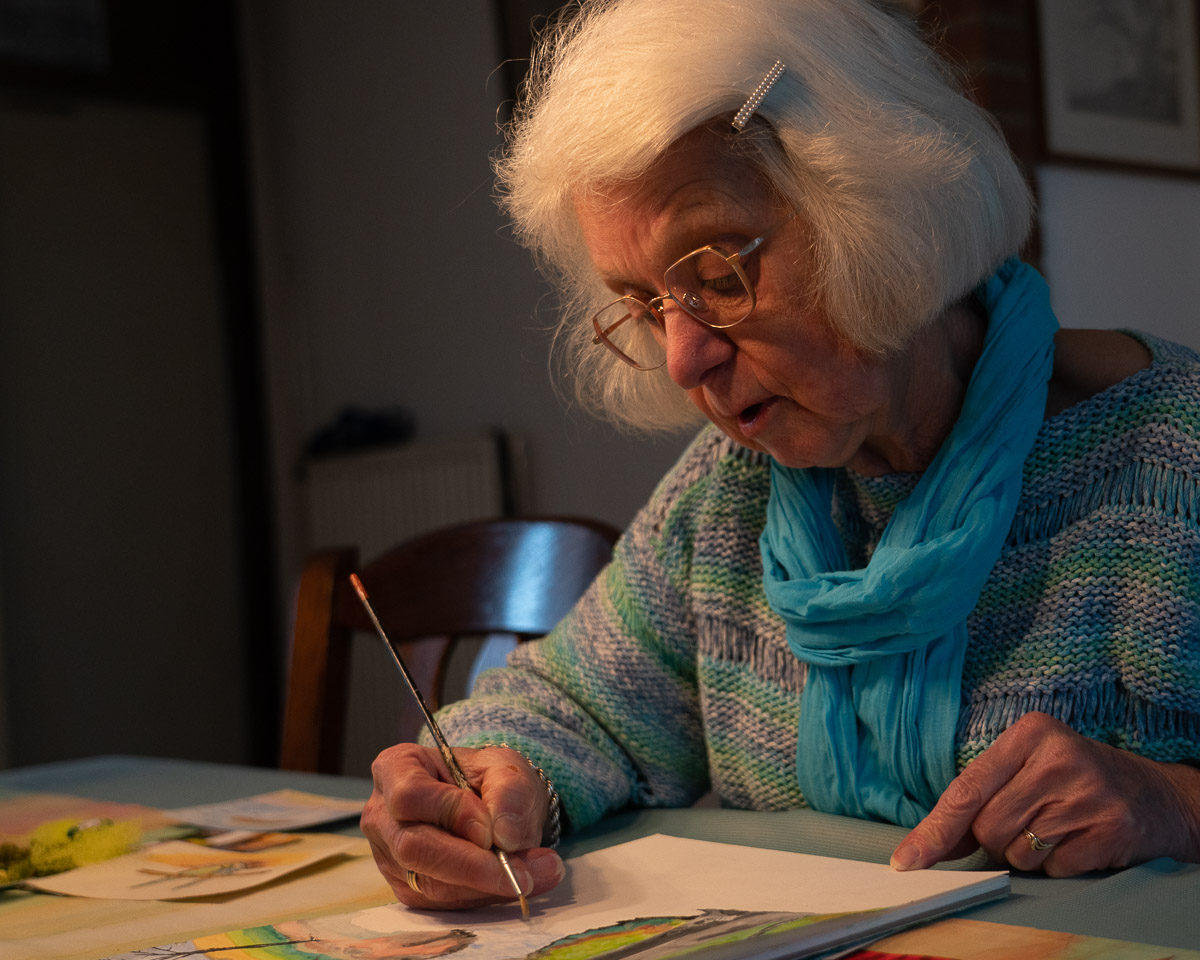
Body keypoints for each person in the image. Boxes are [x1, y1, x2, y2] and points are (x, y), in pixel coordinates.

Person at [362, 0, 1200, 910]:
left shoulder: (1174, 455)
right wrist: (475, 779)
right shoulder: (729, 495)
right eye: (644, 305)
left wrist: (1178, 801)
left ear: (880, 217)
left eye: (717, 274)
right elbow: (577, 706)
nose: (682, 360)